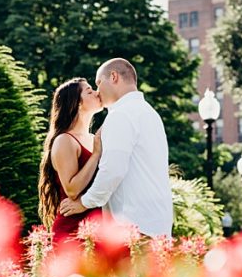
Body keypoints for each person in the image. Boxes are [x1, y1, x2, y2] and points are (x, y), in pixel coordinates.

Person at [58, 58, 173, 238]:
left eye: (98, 83)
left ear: (113, 77)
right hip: (157, 227)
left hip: (133, 227)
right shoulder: (150, 113)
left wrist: (84, 203)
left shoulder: (121, 115)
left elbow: (113, 170)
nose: (97, 91)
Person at [38, 77, 104, 245]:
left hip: (96, 231)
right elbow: (72, 190)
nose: (97, 93)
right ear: (77, 103)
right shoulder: (65, 140)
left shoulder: (92, 138)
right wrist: (96, 155)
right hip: (72, 233)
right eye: (89, 91)